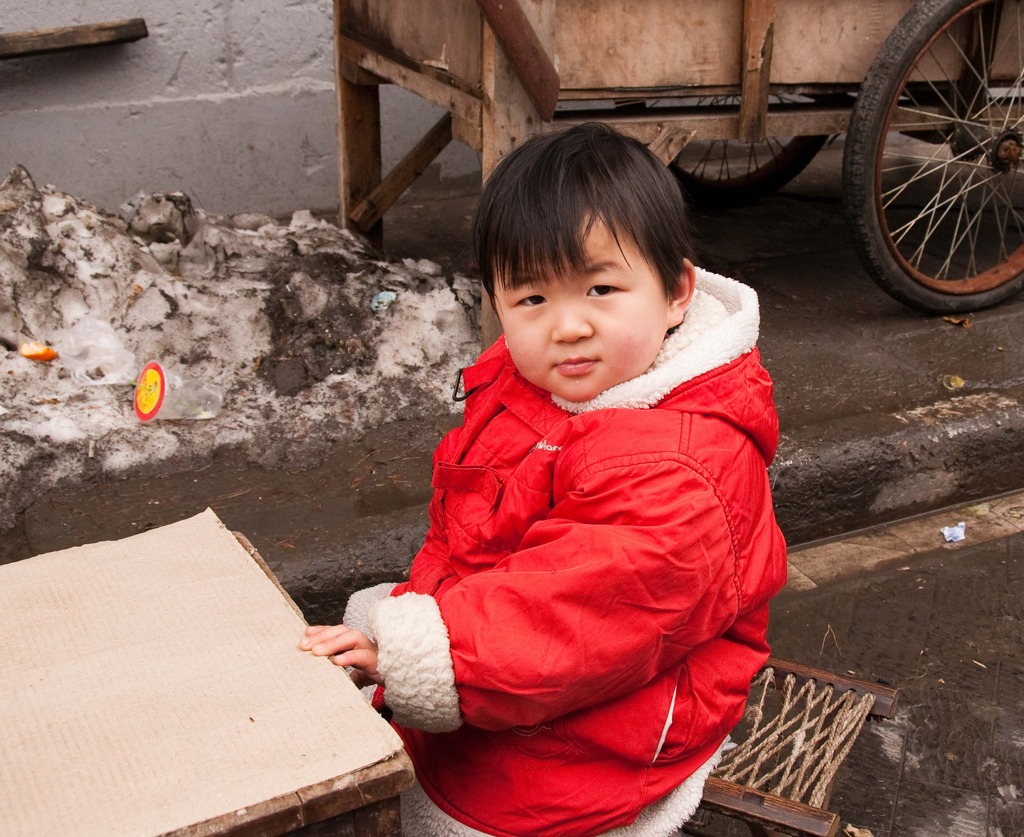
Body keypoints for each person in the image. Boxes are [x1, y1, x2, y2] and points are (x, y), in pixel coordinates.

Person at [299, 122, 787, 836]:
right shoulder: (541, 384)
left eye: (600, 287)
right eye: (532, 299)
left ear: (676, 291)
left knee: (492, 797)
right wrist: (415, 635)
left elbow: (572, 609)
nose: (567, 326)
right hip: (514, 650)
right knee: (379, 656)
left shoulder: (684, 467)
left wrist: (421, 650)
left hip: (623, 702)